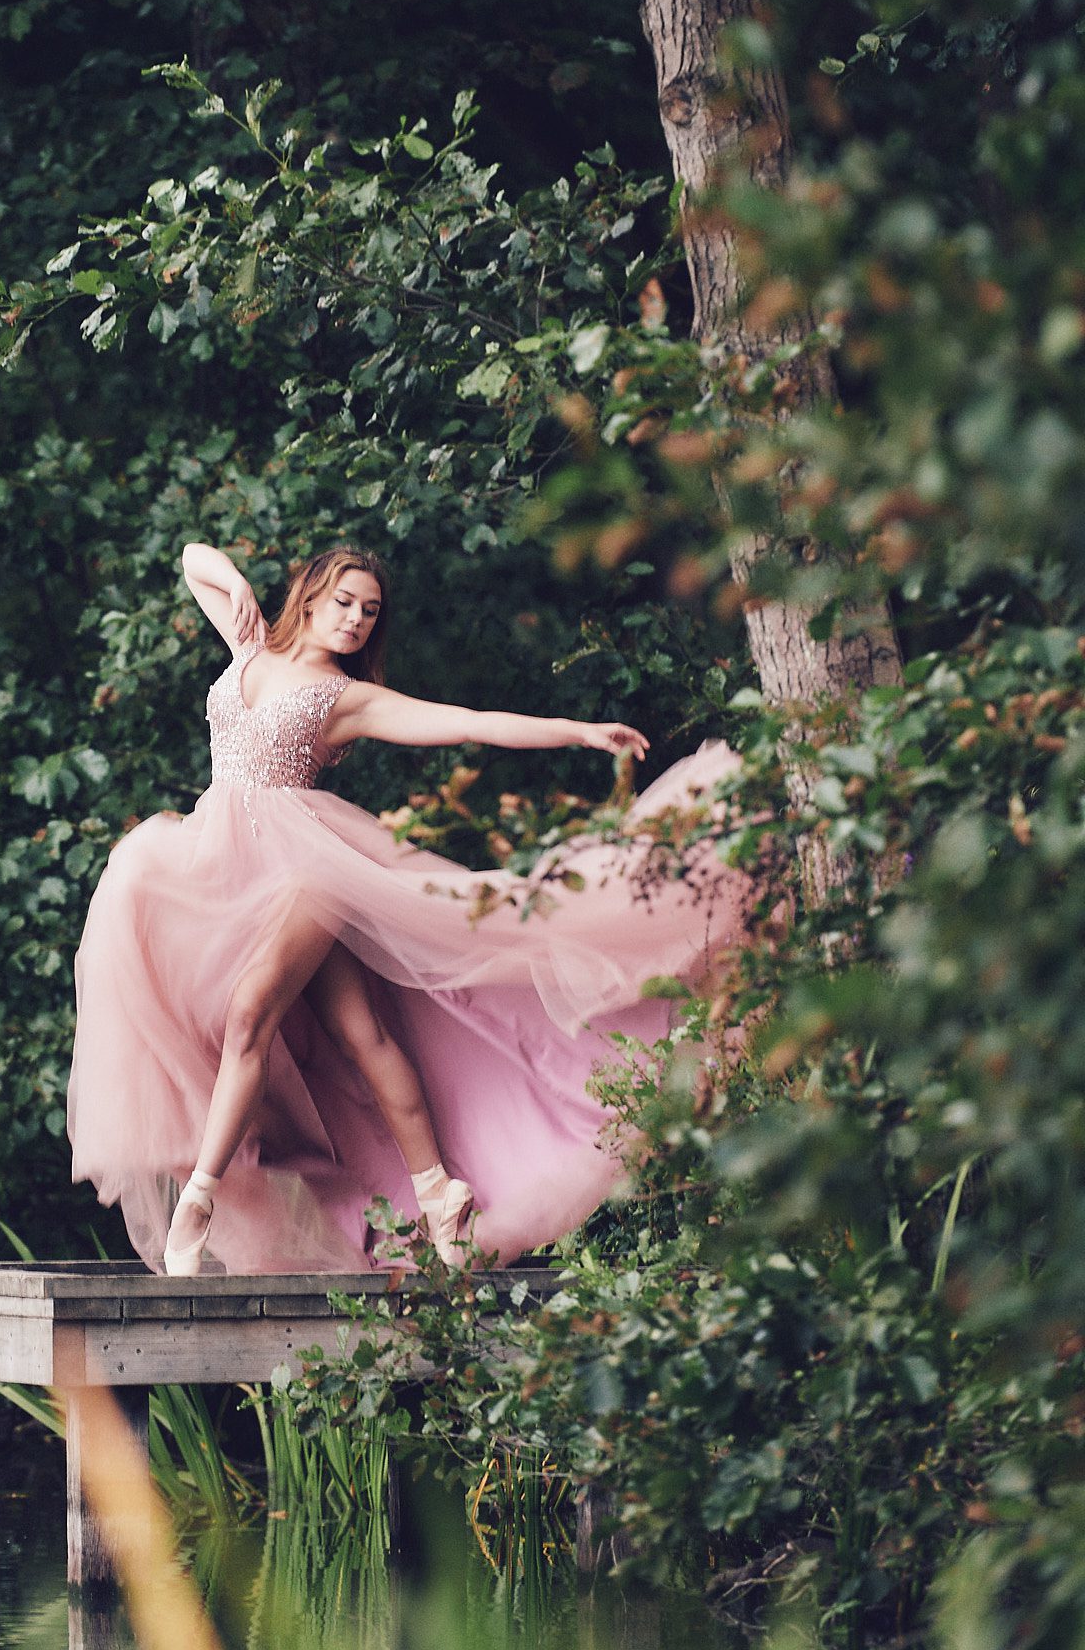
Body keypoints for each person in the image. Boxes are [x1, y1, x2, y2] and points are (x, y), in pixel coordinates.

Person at [68, 540, 749, 1277]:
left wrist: (577, 732)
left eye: (370, 612)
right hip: (220, 868)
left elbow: (466, 720)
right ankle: (440, 1196)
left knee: (248, 1013)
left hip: (305, 868)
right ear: (311, 593)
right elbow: (190, 556)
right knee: (364, 1036)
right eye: (345, 602)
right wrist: (232, 580)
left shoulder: (345, 697)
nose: (357, 620)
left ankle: (198, 1198)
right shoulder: (249, 646)